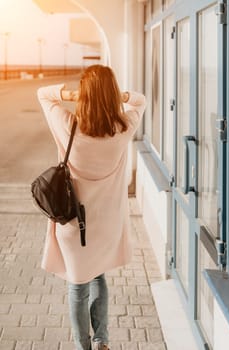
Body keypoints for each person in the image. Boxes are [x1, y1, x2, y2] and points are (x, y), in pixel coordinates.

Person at [37, 64, 146, 350]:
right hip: (106, 224)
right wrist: (115, 96)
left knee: (77, 285)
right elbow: (140, 100)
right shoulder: (124, 128)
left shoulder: (68, 124)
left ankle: (83, 346)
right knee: (98, 274)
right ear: (112, 93)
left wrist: (72, 93)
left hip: (75, 226)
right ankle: (102, 340)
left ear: (83, 95)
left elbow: (43, 94)